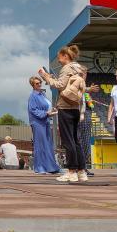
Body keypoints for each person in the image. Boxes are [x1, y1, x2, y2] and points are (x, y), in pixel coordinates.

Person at [40, 45, 88, 183]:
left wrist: (46, 77)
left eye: (59, 57)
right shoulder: (79, 68)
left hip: (65, 107)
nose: (58, 60)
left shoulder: (66, 68)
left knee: (68, 141)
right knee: (76, 140)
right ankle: (81, 171)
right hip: (76, 107)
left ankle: (71, 171)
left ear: (65, 56)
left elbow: (60, 85)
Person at [27, 76, 61, 175]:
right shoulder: (33, 96)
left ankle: (51, 167)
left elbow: (46, 108)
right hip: (38, 122)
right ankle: (40, 167)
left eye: (40, 82)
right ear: (33, 85)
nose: (39, 84)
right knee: (40, 145)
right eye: (37, 83)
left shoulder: (42, 94)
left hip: (45, 121)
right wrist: (46, 113)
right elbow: (33, 110)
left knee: (48, 144)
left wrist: (52, 110)